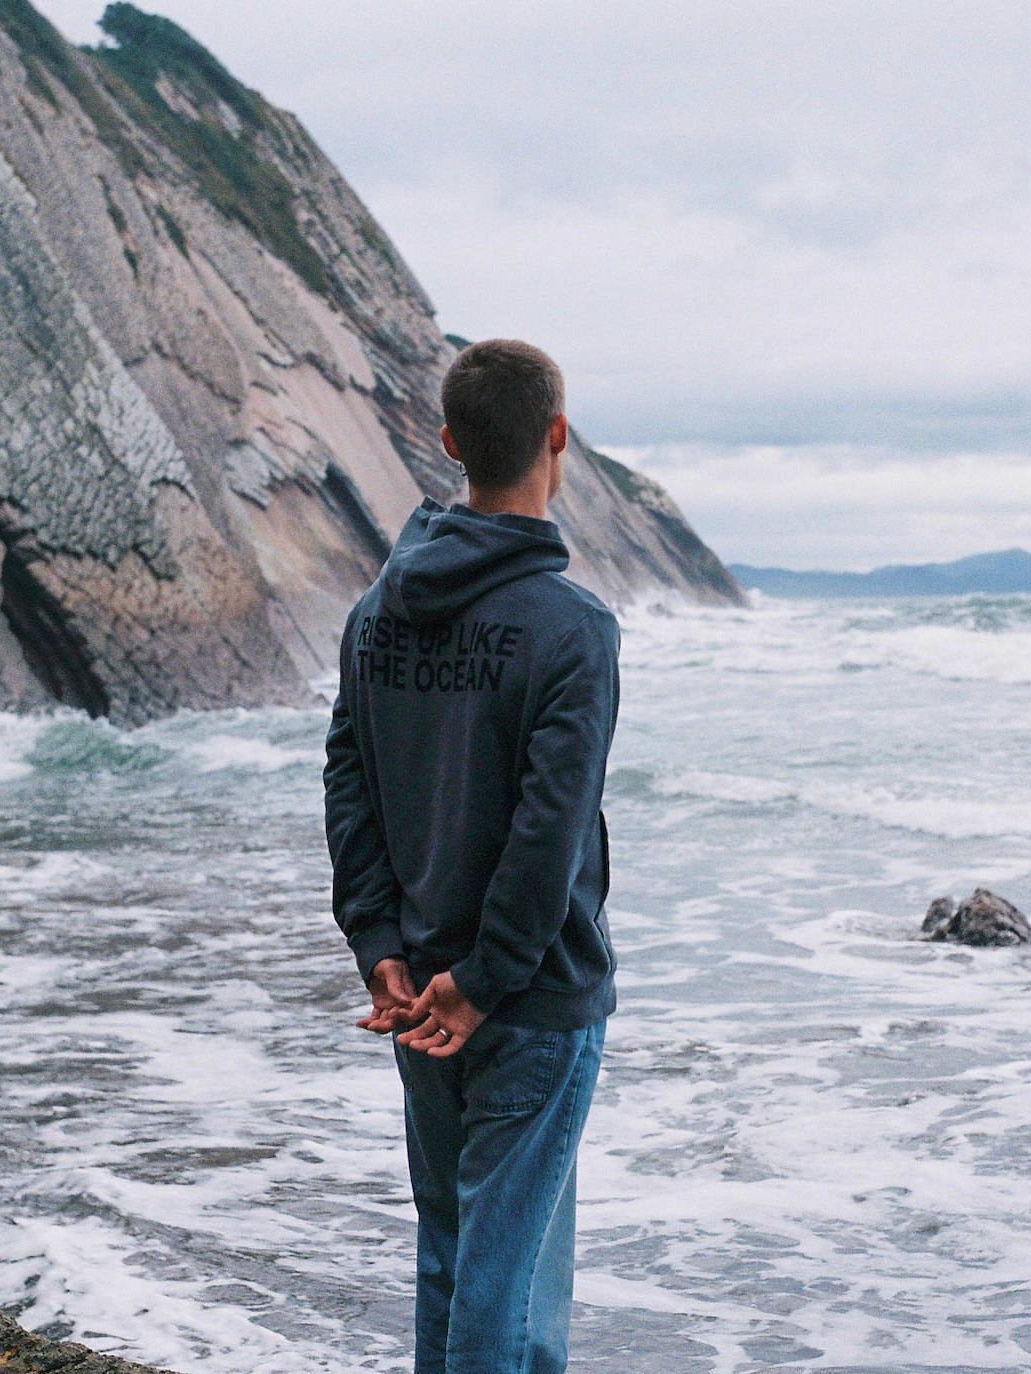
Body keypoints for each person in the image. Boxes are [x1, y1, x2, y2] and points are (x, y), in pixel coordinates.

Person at [324, 338, 620, 1374]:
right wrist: (484, 984)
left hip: (421, 984)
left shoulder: (377, 614)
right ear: (556, 437)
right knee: (500, 1276)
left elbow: (347, 784)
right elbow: (548, 832)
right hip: (524, 996)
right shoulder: (571, 627)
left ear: (448, 444)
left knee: (465, 1262)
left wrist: (380, 946)